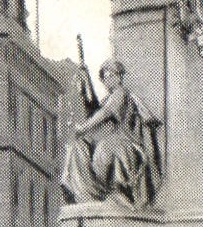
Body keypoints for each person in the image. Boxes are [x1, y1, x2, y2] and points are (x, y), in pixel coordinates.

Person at [62, 56, 163, 210]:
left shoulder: (121, 93)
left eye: (109, 75)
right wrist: (86, 83)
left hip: (125, 139)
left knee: (106, 147)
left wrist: (83, 128)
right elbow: (97, 110)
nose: (106, 80)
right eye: (104, 77)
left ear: (119, 76)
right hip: (109, 140)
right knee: (78, 147)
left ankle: (115, 191)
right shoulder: (108, 98)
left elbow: (105, 113)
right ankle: (84, 192)